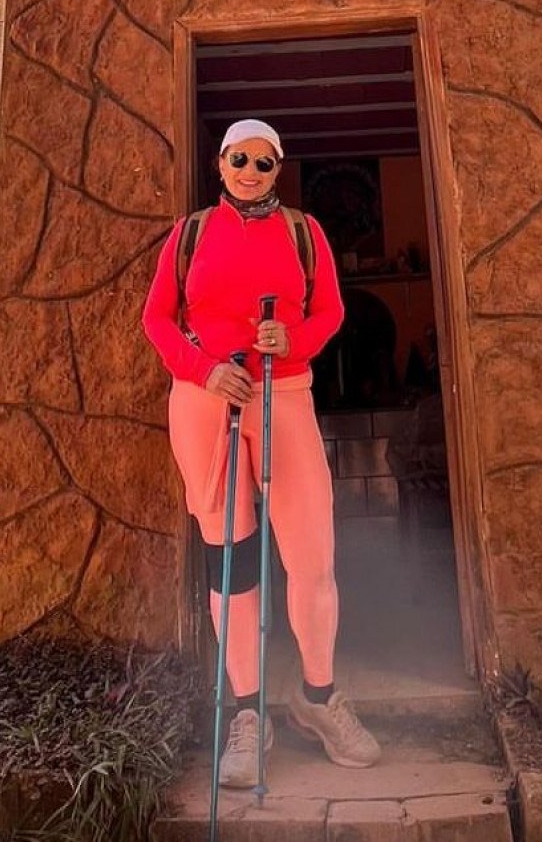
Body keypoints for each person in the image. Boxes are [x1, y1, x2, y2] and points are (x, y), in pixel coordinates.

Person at [142, 119, 381, 788]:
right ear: (220, 163)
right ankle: (249, 715)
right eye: (239, 159)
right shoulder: (189, 234)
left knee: (312, 559)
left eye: (264, 162)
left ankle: (317, 696)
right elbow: (157, 318)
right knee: (231, 564)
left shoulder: (304, 232)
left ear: (279, 168)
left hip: (286, 396)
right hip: (205, 402)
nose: (250, 170)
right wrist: (202, 367)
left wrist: (293, 339)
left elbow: (331, 310)